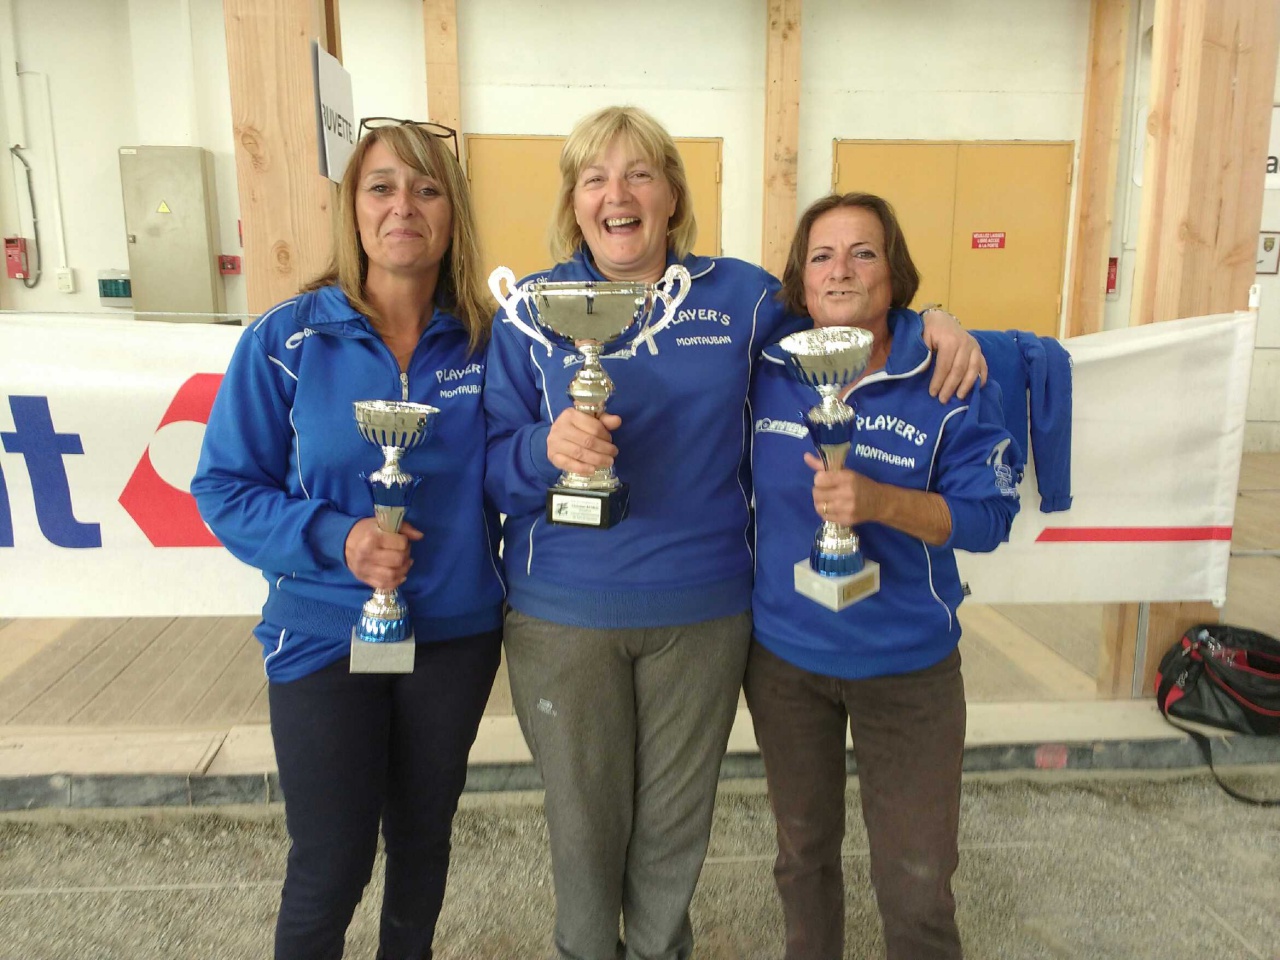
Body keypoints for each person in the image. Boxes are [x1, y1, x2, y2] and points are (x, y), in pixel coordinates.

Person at [482, 105, 985, 960]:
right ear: (573, 202)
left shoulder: (743, 298)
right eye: (596, 177)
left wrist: (940, 319)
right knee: (582, 840)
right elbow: (489, 466)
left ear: (673, 193)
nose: (619, 194)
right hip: (562, 618)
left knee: (675, 840)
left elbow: (854, 319)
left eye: (641, 173)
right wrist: (542, 447)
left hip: (705, 616)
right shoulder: (532, 312)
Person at [191, 120, 505, 960]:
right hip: (323, 636)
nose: (405, 205)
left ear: (453, 214)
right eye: (382, 187)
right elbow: (222, 488)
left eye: (428, 189)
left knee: (424, 847)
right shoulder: (286, 339)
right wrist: (338, 539)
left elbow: (510, 470)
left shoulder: (491, 340)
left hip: (454, 635)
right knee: (330, 863)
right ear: (354, 209)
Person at [745, 192, 1024, 960]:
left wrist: (880, 503)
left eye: (863, 253)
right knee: (802, 861)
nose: (841, 271)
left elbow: (990, 518)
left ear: (893, 272)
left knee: (917, 884)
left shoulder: (947, 370)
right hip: (784, 662)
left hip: (909, 667)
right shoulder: (767, 362)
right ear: (800, 282)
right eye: (822, 255)